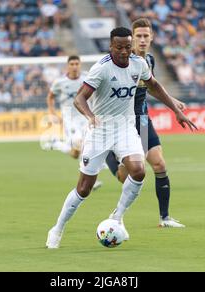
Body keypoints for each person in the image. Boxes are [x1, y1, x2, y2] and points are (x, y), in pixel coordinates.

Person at [46, 27, 196, 249]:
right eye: (119, 47)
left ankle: (117, 216)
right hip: (100, 129)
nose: (124, 52)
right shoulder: (101, 69)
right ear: (111, 46)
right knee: (84, 188)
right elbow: (79, 99)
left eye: (127, 46)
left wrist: (176, 109)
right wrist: (90, 116)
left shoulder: (138, 63)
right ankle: (57, 228)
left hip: (126, 128)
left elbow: (154, 86)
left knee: (139, 170)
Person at [105, 18, 187, 228]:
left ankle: (165, 218)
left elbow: (152, 86)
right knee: (126, 175)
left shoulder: (149, 60)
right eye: (138, 36)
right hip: (122, 122)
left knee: (159, 164)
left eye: (145, 36)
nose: (142, 40)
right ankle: (109, 157)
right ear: (131, 39)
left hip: (142, 119)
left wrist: (172, 102)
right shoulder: (121, 61)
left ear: (151, 38)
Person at [46, 55, 103, 190]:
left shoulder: (87, 78)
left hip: (85, 116)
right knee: (81, 145)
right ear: (68, 66)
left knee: (75, 153)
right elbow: (50, 96)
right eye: (72, 64)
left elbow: (97, 92)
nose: (74, 66)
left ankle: (57, 143)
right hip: (69, 118)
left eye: (77, 63)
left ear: (80, 65)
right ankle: (90, 181)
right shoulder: (60, 82)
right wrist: (52, 112)